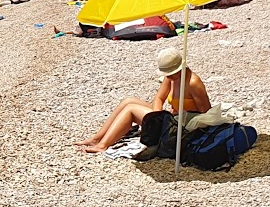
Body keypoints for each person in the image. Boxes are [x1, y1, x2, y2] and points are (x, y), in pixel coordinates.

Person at [76, 44, 211, 153]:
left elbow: (207, 114)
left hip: (182, 126)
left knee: (131, 109)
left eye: (169, 74)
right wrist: (157, 116)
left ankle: (103, 145)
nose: (167, 77)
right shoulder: (172, 77)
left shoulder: (193, 83)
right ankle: (97, 138)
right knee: (128, 101)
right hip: (170, 118)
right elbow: (159, 98)